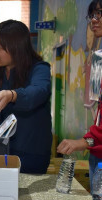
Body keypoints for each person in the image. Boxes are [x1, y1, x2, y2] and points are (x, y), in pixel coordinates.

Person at [0, 20, 52, 174]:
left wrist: (13, 95)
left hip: (31, 154)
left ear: (17, 47)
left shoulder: (39, 69)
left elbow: (38, 92)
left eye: (0, 47)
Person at [57, 0, 102, 192]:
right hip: (97, 153)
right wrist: (89, 141)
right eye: (91, 15)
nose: (94, 20)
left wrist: (85, 142)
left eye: (99, 14)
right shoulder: (98, 58)